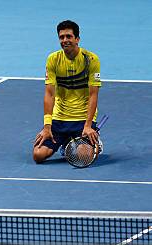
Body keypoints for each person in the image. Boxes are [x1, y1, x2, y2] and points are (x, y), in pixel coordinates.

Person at [33, 20, 102, 163]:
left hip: (82, 118)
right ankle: (67, 143)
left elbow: (93, 95)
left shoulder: (91, 59)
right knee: (38, 155)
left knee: (83, 157)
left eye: (69, 36)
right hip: (60, 118)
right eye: (61, 37)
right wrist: (47, 126)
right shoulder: (53, 59)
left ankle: (96, 144)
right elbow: (49, 94)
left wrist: (88, 125)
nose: (65, 40)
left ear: (77, 39)